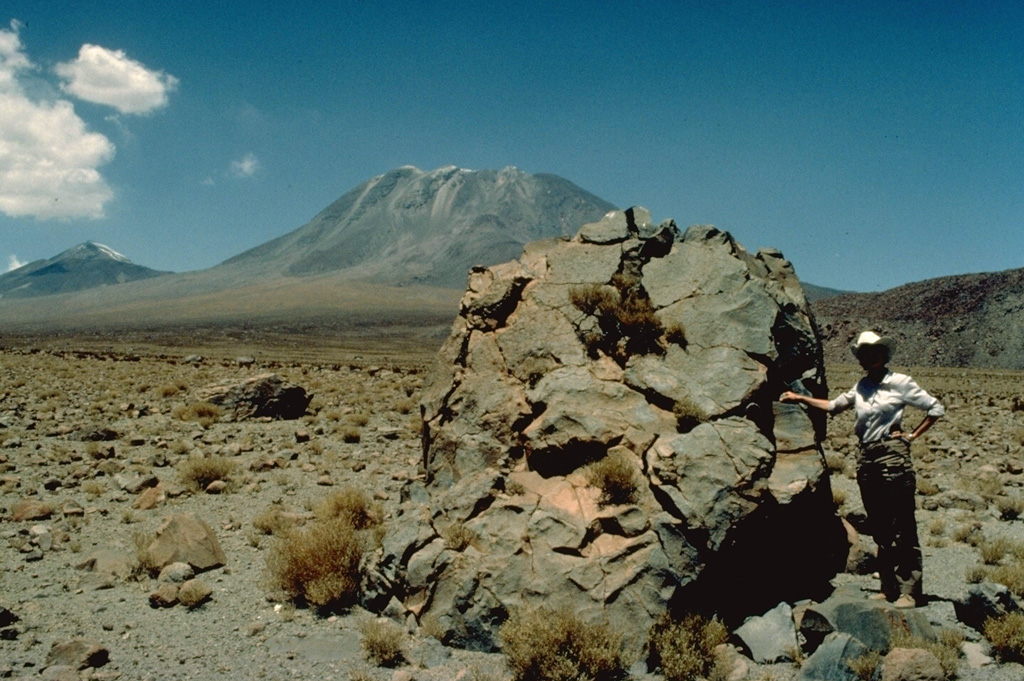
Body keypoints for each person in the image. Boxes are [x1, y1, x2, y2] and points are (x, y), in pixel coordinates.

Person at [780, 331, 945, 609]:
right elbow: (833, 407)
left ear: (883, 354)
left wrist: (912, 436)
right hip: (866, 456)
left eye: (874, 351)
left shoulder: (900, 382)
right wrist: (799, 398)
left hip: (893, 456)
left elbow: (936, 408)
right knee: (880, 525)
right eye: (864, 353)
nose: (869, 356)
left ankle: (910, 591)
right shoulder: (861, 387)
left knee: (902, 524)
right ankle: (888, 587)